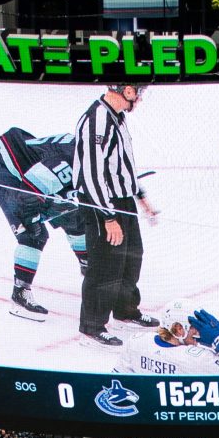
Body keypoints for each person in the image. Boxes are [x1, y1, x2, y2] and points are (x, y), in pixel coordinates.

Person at [71, 81, 156, 346]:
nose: (140, 99)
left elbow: (123, 164)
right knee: (105, 265)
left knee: (131, 257)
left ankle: (125, 310)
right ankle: (92, 326)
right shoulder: (96, 121)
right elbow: (91, 175)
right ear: (127, 91)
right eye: (138, 93)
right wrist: (108, 217)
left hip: (122, 200)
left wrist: (139, 196)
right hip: (101, 203)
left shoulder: (116, 117)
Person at [0, 124, 87, 319]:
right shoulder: (68, 162)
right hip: (10, 171)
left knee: (75, 219)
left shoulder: (89, 153)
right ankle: (20, 294)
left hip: (35, 171)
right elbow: (29, 194)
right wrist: (40, 211)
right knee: (33, 233)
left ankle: (88, 267)